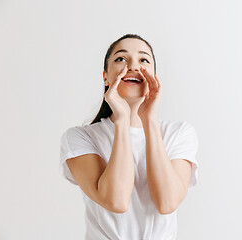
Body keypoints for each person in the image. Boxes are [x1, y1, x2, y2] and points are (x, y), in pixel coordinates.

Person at [59, 33, 199, 240]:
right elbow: (116, 201)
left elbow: (167, 202)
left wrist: (149, 120)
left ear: (154, 75)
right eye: (121, 59)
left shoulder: (179, 133)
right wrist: (123, 120)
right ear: (105, 76)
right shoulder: (80, 138)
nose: (133, 66)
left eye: (144, 60)